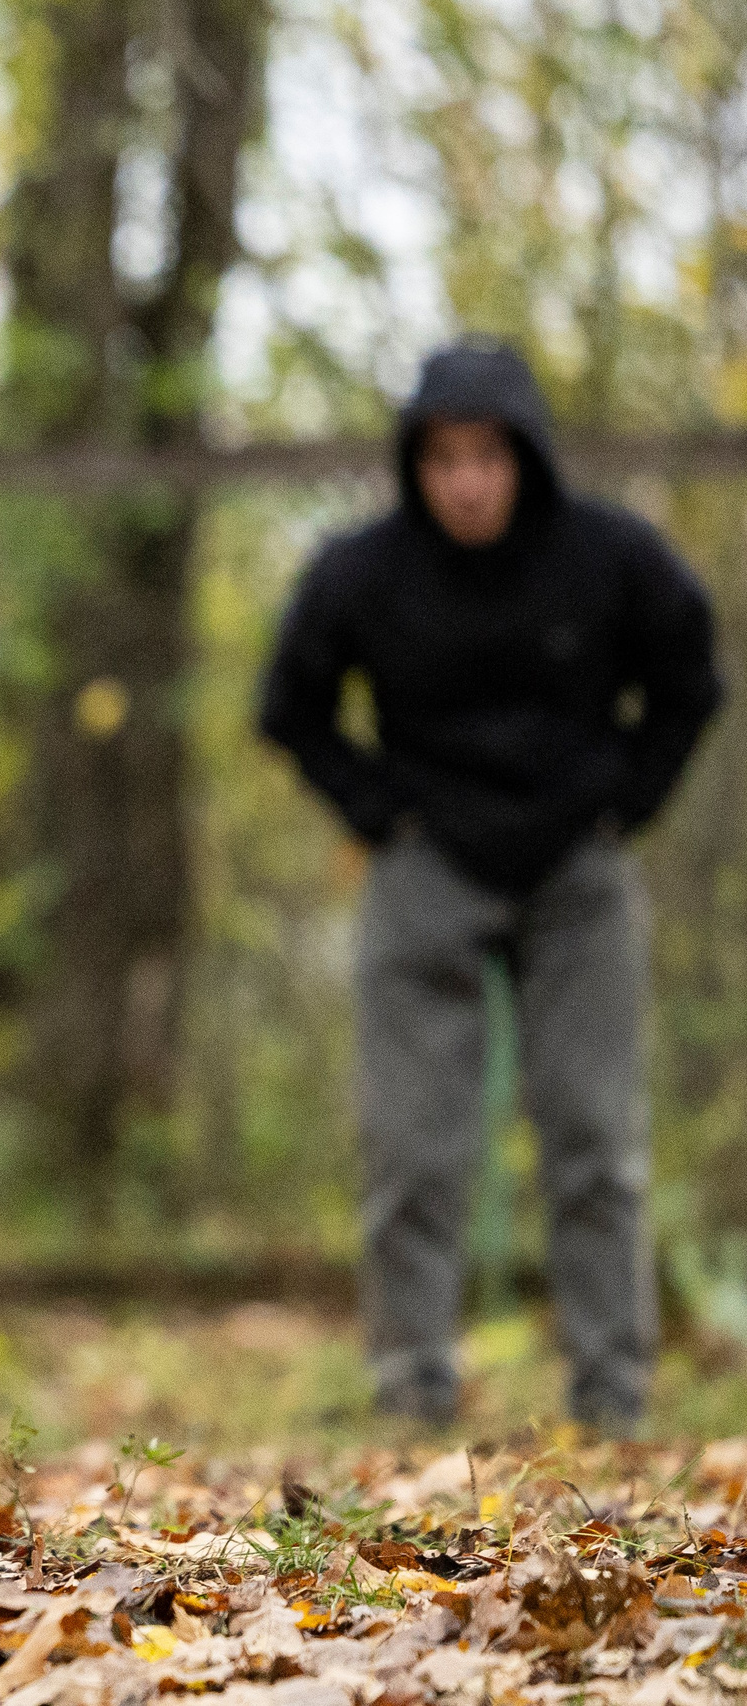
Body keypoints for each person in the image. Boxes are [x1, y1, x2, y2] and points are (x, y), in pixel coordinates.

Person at [260, 336, 722, 1434]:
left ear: (526, 458)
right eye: (443, 458)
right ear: (414, 466)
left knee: (594, 1136)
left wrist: (630, 799)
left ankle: (613, 1391)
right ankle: (411, 1382)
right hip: (427, 867)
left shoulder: (611, 558)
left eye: (487, 455)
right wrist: (378, 812)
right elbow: (291, 708)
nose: (466, 479)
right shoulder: (359, 573)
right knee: (412, 1143)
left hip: (576, 869)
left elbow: (690, 679)